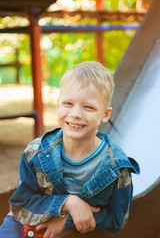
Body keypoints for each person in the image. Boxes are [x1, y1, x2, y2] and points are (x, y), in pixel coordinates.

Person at [0, 61, 140, 238]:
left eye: (88, 107)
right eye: (68, 104)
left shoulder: (117, 169)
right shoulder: (35, 153)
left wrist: (66, 220)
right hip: (23, 223)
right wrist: (68, 202)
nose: (76, 114)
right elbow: (22, 204)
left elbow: (116, 219)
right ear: (58, 105)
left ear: (105, 114)